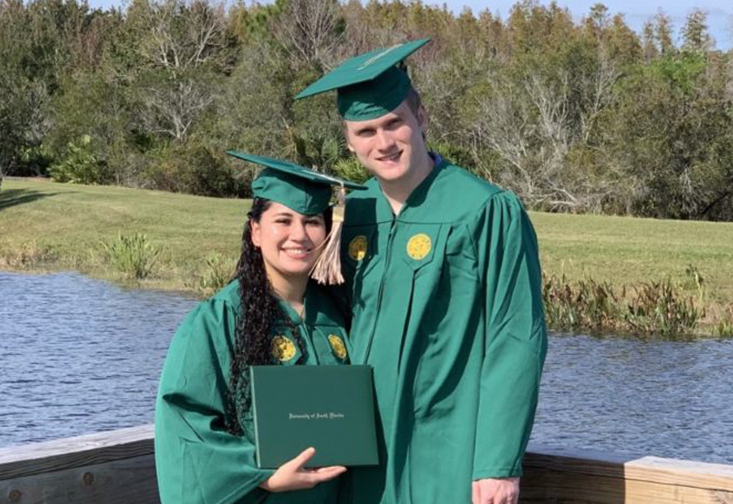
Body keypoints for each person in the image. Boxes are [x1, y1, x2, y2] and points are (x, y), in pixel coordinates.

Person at [296, 39, 548, 504]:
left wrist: (498, 463)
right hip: (362, 451)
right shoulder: (354, 212)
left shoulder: (485, 210)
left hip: (450, 448)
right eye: (366, 131)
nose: (384, 142)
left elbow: (516, 340)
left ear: (422, 118)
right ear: (350, 142)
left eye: (394, 123)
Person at [154, 152, 365, 504]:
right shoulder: (218, 320)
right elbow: (185, 423)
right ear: (255, 231)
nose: (299, 235)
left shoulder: (338, 314)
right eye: (283, 220)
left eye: (312, 221)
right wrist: (262, 474)